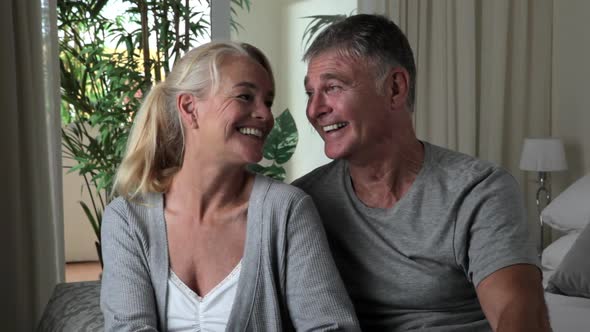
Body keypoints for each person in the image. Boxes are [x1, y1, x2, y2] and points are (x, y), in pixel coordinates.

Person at [293, 14, 550, 332]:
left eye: (332, 87)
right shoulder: (304, 201)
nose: (314, 109)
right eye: (310, 93)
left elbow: (520, 309)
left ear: (395, 88)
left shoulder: (477, 190)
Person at [100, 41, 360, 332]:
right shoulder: (128, 219)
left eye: (268, 102)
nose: (266, 115)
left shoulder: (286, 211)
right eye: (245, 96)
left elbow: (330, 327)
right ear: (190, 108)